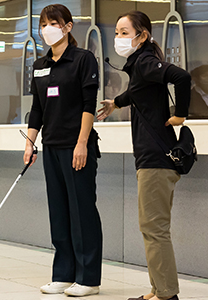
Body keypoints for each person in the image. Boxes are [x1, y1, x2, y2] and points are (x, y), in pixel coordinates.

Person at [97, 11, 191, 300]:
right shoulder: (140, 65)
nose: (118, 38)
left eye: (125, 32)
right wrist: (116, 102)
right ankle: (158, 289)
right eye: (117, 32)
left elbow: (182, 77)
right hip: (152, 157)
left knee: (154, 227)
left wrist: (181, 115)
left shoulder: (147, 61)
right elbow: (137, 92)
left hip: (156, 158)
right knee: (151, 227)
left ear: (143, 35)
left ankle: (166, 294)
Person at [22, 4, 102, 297]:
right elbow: (37, 109)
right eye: (43, 24)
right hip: (51, 147)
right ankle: (63, 274)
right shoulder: (40, 66)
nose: (47, 29)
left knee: (82, 212)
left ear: (68, 26)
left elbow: (88, 105)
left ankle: (89, 278)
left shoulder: (83, 60)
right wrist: (30, 143)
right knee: (59, 212)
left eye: (53, 23)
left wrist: (82, 144)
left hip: (76, 146)